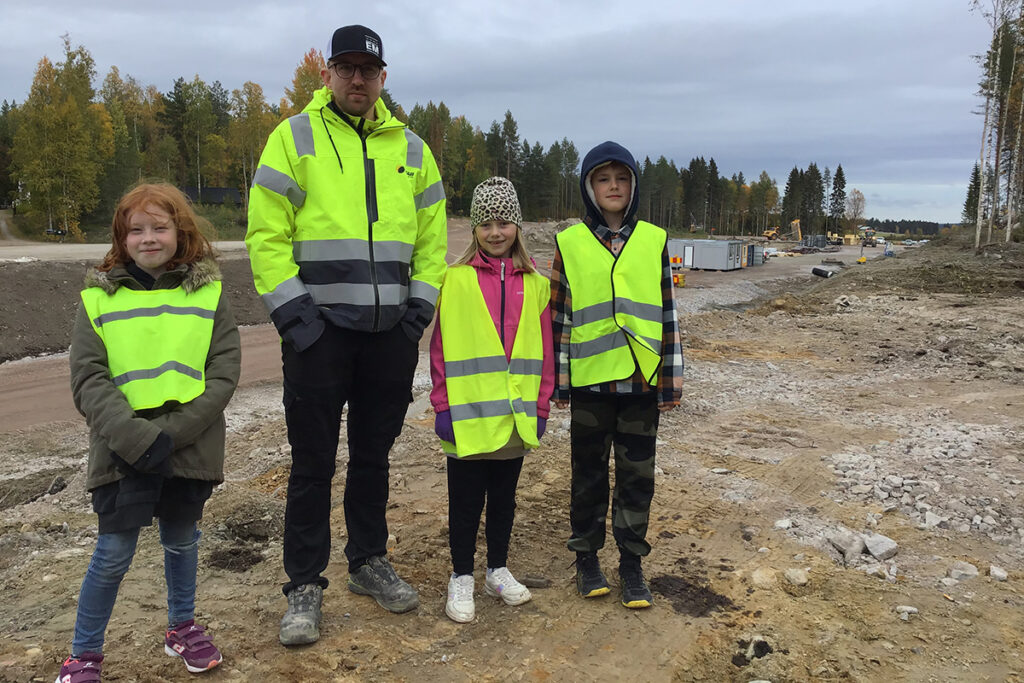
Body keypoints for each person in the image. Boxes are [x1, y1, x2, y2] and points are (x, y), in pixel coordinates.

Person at [245, 24, 447, 645]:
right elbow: (266, 238)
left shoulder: (412, 149)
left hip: (389, 336)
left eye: (368, 70)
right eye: (346, 68)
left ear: (383, 78)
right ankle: (304, 585)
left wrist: (416, 316)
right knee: (312, 464)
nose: (357, 79)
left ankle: (367, 561)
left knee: (372, 458)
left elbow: (432, 242)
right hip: (318, 336)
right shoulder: (293, 138)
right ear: (327, 73)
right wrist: (299, 322)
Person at [58, 183, 241, 682]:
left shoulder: (208, 295)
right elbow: (89, 380)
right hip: (122, 450)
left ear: (180, 232)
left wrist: (172, 435)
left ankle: (182, 628)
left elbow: (223, 373)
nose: (148, 238)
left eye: (160, 227)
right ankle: (83, 655)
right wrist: (137, 439)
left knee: (182, 540)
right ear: (122, 237)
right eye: (136, 229)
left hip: (188, 447)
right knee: (113, 553)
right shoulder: (98, 300)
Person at [549, 141, 683, 609]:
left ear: (634, 185)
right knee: (587, 476)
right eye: (603, 179)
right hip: (591, 383)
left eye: (622, 178)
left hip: (642, 382)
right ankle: (586, 559)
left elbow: (667, 314)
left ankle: (631, 563)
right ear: (589, 187)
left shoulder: (654, 240)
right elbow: (560, 318)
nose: (613, 187)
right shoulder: (569, 243)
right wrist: (559, 382)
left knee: (636, 477)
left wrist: (670, 379)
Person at [429, 177, 554, 623]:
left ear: (517, 225)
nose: (496, 232)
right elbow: (440, 349)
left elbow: (544, 351)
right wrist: (442, 406)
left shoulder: (536, 284)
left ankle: (497, 570)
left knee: (504, 500)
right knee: (464, 503)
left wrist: (542, 406)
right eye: (486, 223)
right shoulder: (455, 280)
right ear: (474, 229)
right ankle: (461, 576)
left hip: (515, 417)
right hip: (467, 417)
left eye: (504, 222)